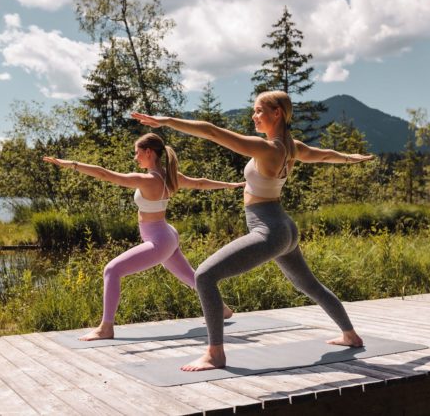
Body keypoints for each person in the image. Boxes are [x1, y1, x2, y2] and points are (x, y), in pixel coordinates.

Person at [132, 90, 374, 371]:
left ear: (277, 113)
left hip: (269, 229)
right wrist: (351, 158)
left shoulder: (268, 148)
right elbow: (326, 155)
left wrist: (167, 120)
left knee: (205, 276)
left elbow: (211, 132)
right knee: (309, 285)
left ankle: (215, 354)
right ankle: (350, 334)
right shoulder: (292, 147)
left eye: (259, 110)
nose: (254, 115)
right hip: (285, 226)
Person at [43, 133, 241, 341]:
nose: (135, 157)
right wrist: (229, 185)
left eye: (137, 153)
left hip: (159, 240)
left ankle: (106, 327)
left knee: (112, 270)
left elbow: (104, 174)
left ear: (149, 152)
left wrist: (70, 164)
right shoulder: (172, 176)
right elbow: (200, 184)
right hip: (167, 234)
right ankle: (221, 309)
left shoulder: (147, 180)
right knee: (189, 276)